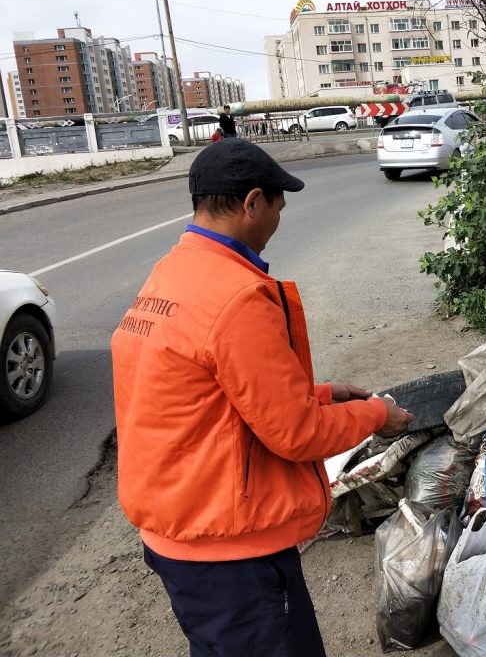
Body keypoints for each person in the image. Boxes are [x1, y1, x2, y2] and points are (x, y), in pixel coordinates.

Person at [111, 138, 413, 655]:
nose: (278, 220)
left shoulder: (173, 273)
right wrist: (377, 414)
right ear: (252, 202)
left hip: (180, 527)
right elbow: (298, 434)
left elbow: (208, 393)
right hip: (228, 548)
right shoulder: (236, 296)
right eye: (278, 206)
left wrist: (320, 393)